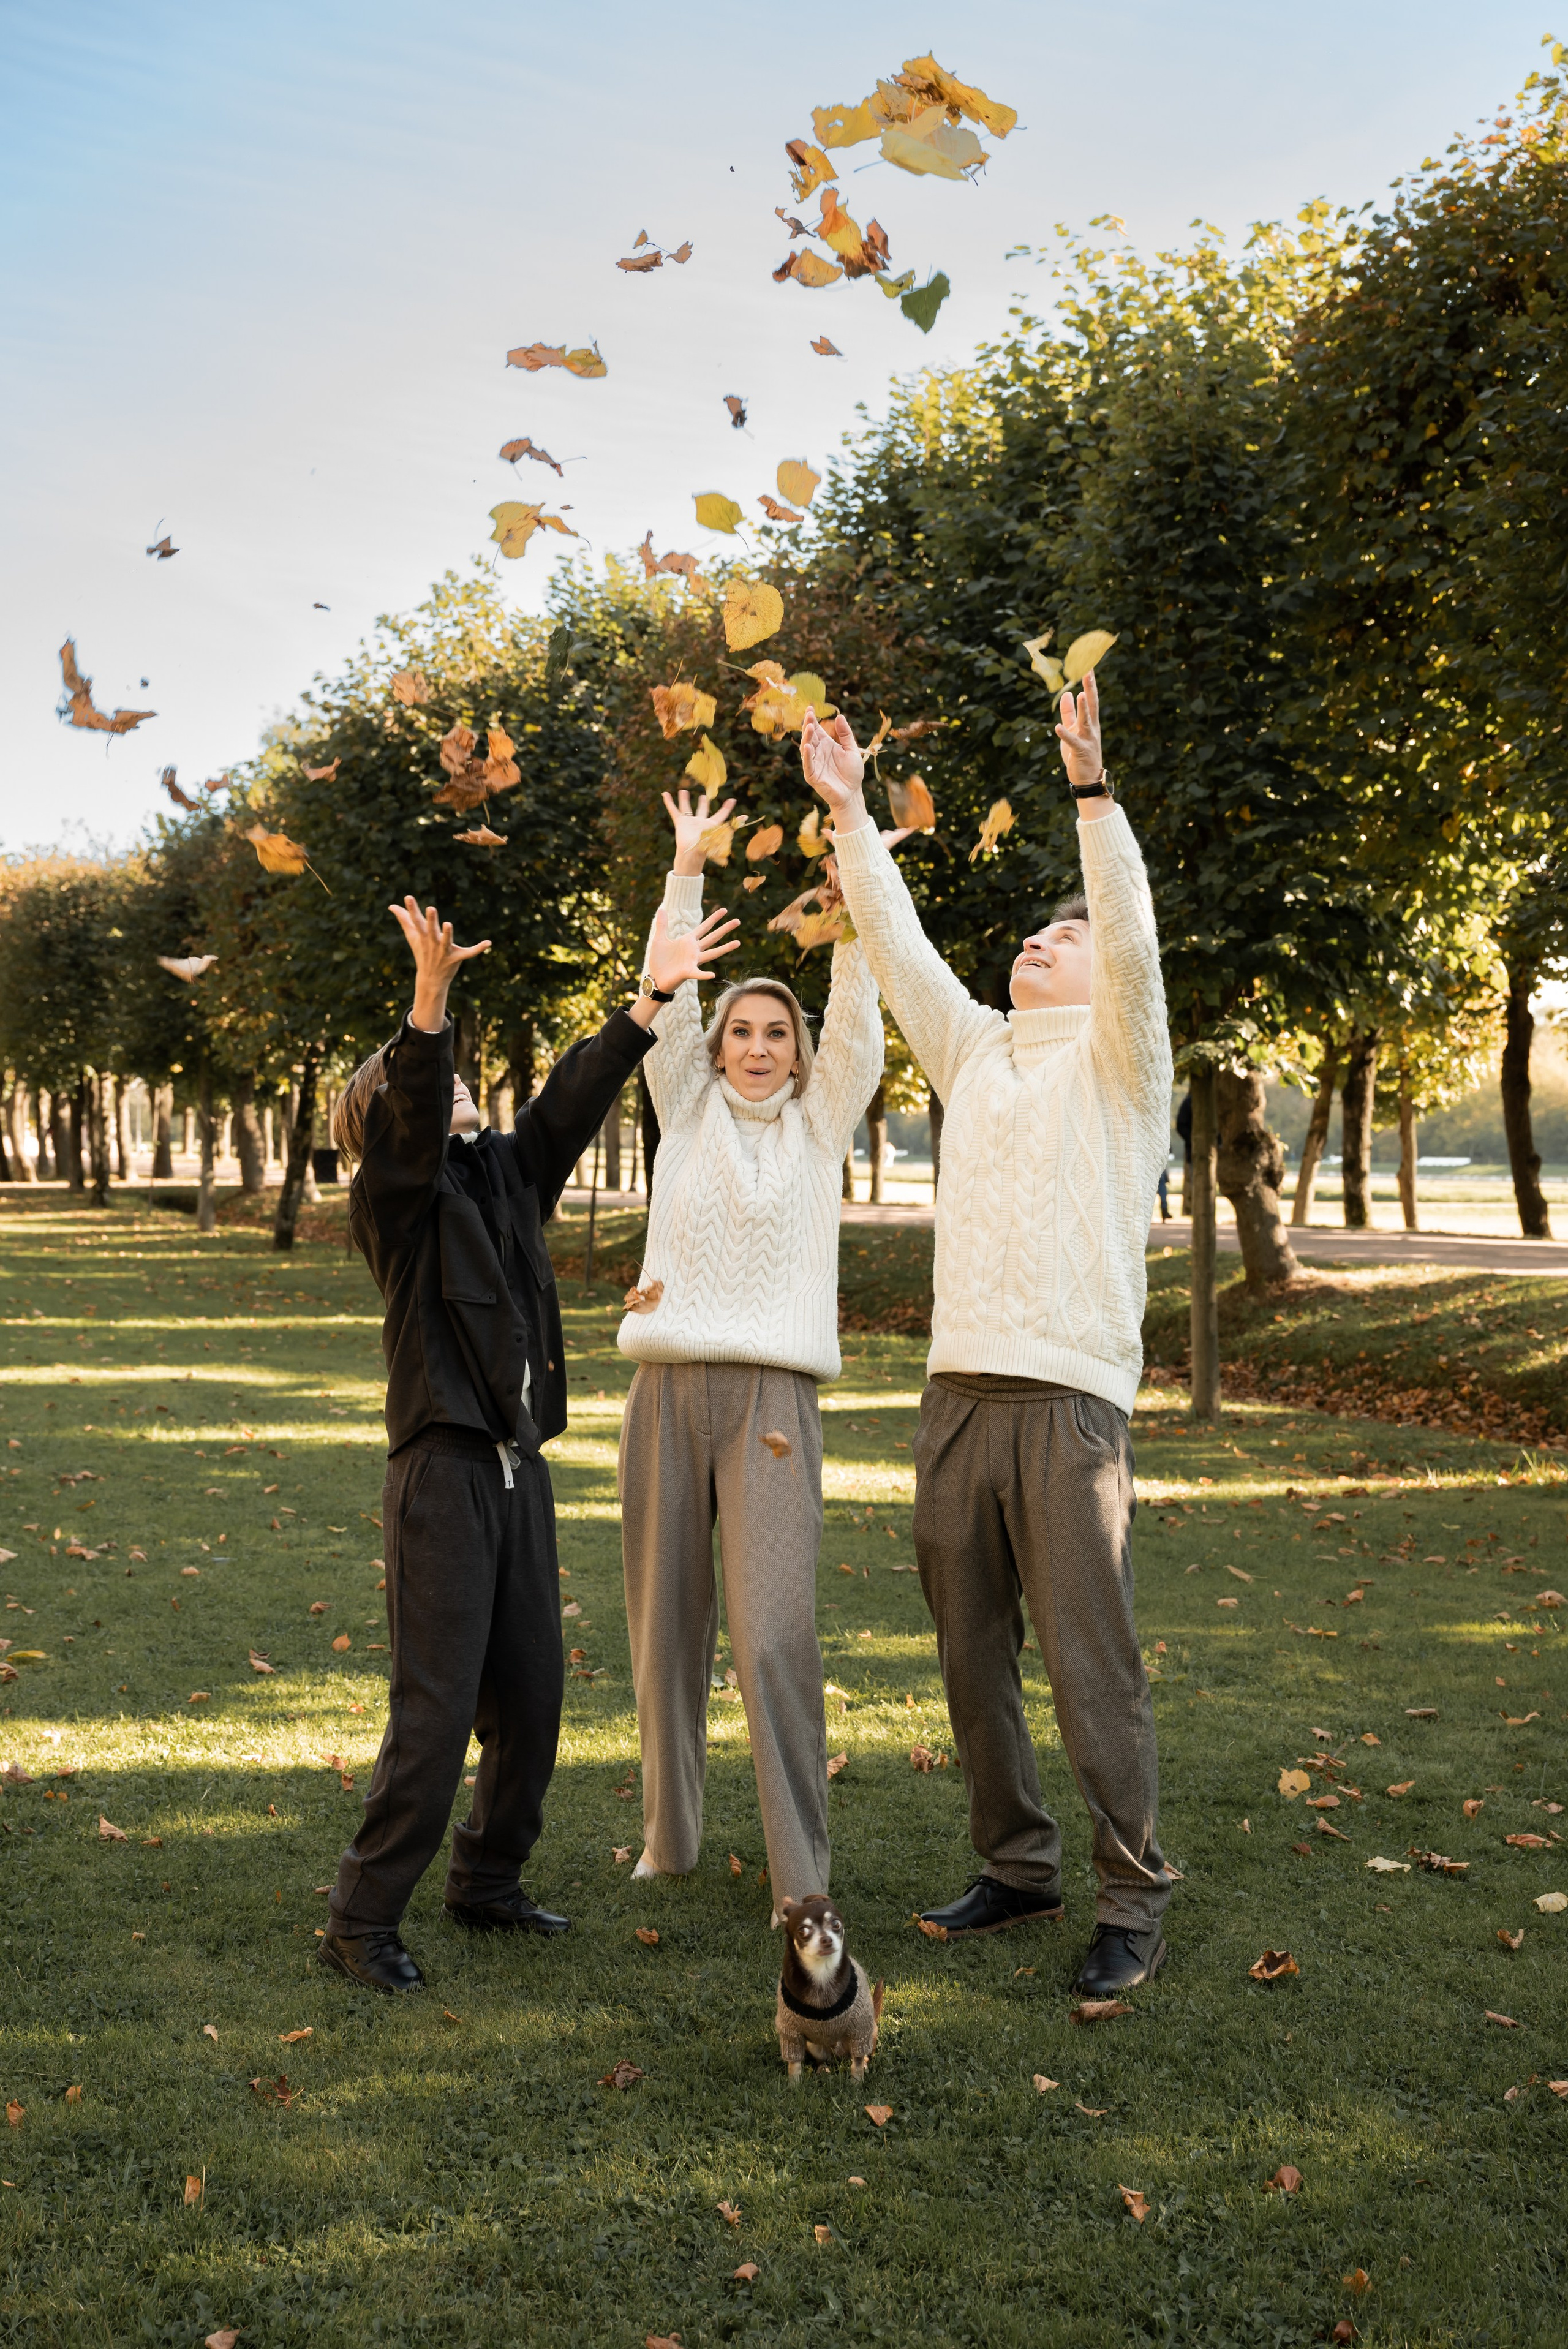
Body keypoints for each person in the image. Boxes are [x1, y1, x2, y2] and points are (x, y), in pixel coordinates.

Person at [800, 675, 1175, 1996]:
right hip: (955, 1396)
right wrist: (847, 812)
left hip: (1069, 1408)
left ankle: (1131, 1894)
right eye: (1028, 935)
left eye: (1054, 940)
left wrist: (1089, 790)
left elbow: (1124, 936)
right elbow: (899, 950)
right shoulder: (974, 1053)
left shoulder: (1120, 1066)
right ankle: (1015, 1868)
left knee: (1089, 1667)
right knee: (970, 1659)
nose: (1038, 944)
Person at [318, 893, 736, 1993]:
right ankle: (361, 1922)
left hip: (516, 1472)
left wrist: (651, 999)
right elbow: (412, 1112)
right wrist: (428, 1001)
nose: (453, 1083)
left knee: (534, 1698)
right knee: (437, 1710)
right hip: (441, 1476)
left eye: (452, 1073)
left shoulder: (502, 1177)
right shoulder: (392, 1201)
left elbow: (571, 1099)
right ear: (384, 1118)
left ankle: (487, 1882)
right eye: (421, 1082)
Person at [616, 786, 884, 1913]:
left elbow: (861, 1014)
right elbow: (665, 995)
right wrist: (687, 866)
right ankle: (668, 1839)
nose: (760, 1048)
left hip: (774, 1402)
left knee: (773, 1636)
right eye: (743, 1031)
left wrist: (856, 891)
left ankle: (797, 1876)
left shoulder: (825, 1125)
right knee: (663, 1633)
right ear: (718, 1045)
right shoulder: (685, 1106)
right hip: (666, 1393)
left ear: (799, 1051)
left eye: (778, 1033)